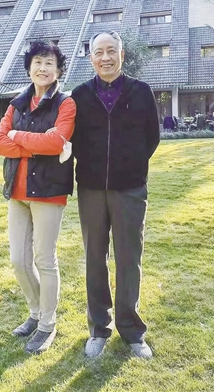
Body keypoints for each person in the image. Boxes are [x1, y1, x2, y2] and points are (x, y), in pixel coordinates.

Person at [71, 30, 160, 359]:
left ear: (122, 55)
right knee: (95, 258)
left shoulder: (141, 92)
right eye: (99, 52)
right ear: (91, 58)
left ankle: (132, 330)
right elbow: (74, 139)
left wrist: (130, 166)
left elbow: (152, 137)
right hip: (91, 189)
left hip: (130, 189)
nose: (105, 57)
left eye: (111, 51)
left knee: (129, 259)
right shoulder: (79, 95)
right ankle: (99, 327)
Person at [0, 40, 76, 355]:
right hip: (17, 191)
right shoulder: (16, 104)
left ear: (58, 70)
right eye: (38, 62)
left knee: (44, 259)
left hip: (49, 191)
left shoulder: (66, 104)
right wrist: (34, 143)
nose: (43, 68)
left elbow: (57, 143)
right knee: (19, 260)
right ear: (29, 67)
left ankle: (47, 324)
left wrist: (17, 136)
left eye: (49, 63)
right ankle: (35, 311)